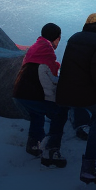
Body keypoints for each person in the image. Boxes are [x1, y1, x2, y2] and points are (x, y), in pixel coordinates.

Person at [56, 14, 96, 185]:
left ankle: (51, 149)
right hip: (84, 92)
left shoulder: (74, 38)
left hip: (65, 90)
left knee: (65, 108)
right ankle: (88, 167)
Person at [12, 23, 68, 167]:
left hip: (19, 93)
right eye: (59, 39)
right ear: (56, 38)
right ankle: (51, 151)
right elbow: (49, 80)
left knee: (37, 113)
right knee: (59, 113)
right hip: (31, 94)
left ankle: (34, 144)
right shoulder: (47, 50)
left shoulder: (35, 47)